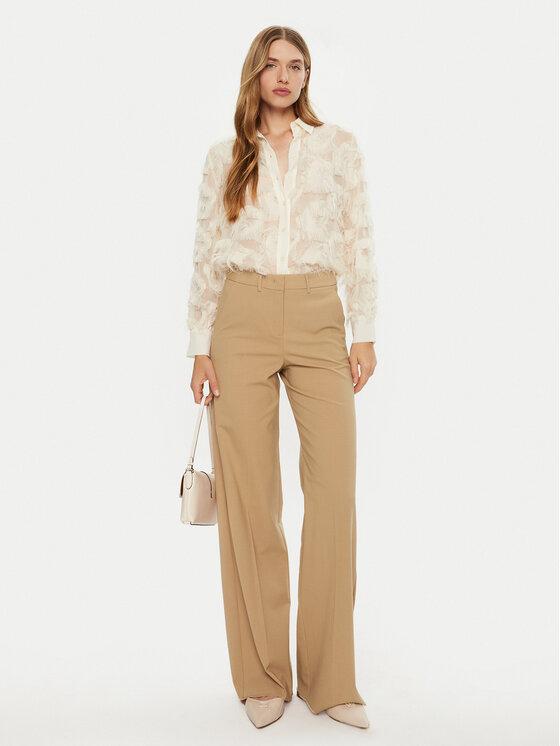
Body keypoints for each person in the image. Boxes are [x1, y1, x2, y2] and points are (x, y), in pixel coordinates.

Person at [186, 25, 378, 730]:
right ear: (254, 74)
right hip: (239, 317)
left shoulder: (338, 148)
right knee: (251, 499)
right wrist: (199, 345)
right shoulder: (226, 155)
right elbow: (206, 249)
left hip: (320, 313)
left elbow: (359, 238)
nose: (285, 75)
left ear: (307, 76)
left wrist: (364, 329)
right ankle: (263, 675)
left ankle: (331, 679)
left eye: (296, 65)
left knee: (333, 493)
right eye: (272, 65)